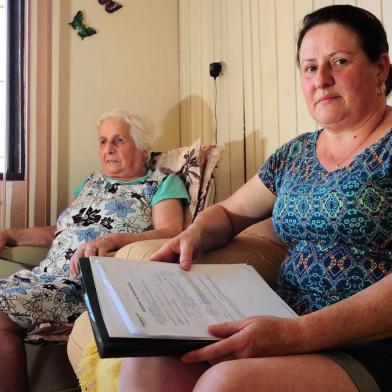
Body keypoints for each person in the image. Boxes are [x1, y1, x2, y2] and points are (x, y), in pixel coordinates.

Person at [118, 5, 392, 392]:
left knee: (224, 384)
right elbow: (229, 213)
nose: (322, 79)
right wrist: (194, 234)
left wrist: (296, 335)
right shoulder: (293, 155)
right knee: (149, 360)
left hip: (366, 343)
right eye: (310, 68)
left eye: (340, 62)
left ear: (380, 68)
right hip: (279, 321)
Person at [0, 109, 189, 391]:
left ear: (141, 148)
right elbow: (63, 231)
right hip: (42, 279)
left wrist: (114, 240)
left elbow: (170, 233)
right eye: (102, 141)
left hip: (85, 287)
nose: (108, 149)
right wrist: (9, 234)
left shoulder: (161, 183)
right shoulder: (92, 182)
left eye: (118, 141)